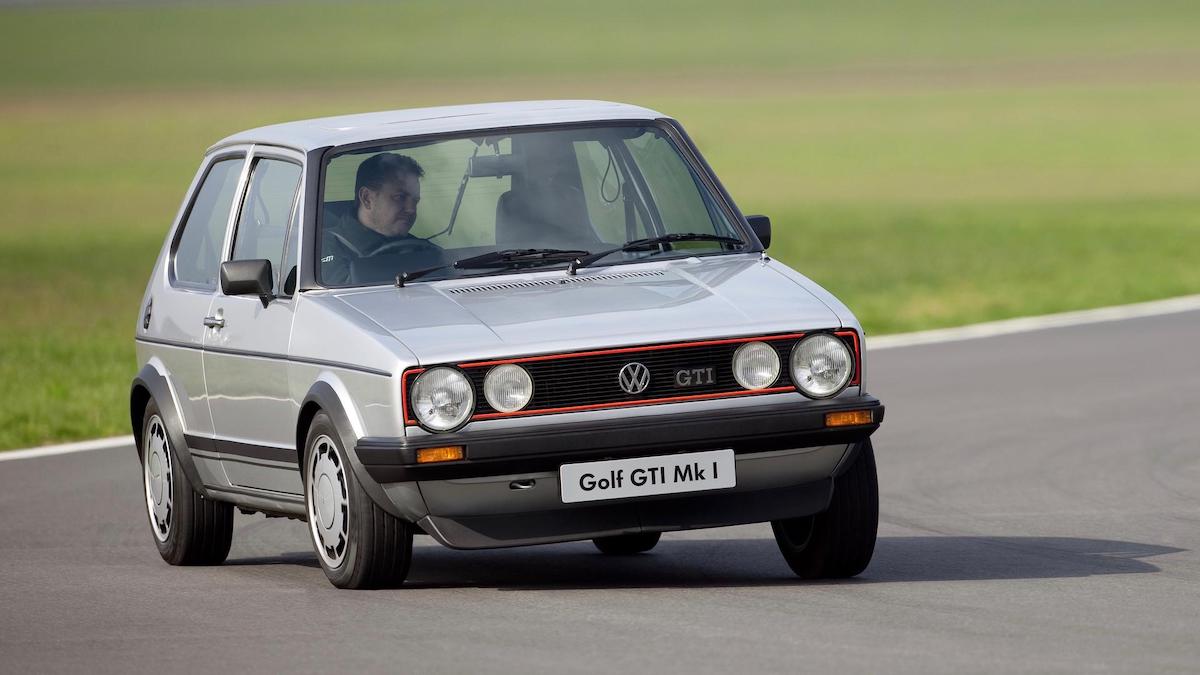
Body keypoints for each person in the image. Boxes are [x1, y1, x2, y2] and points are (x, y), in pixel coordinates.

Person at [320, 152, 442, 285]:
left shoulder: (424, 251)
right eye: (399, 197)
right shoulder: (321, 249)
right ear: (367, 198)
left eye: (415, 201)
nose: (411, 209)